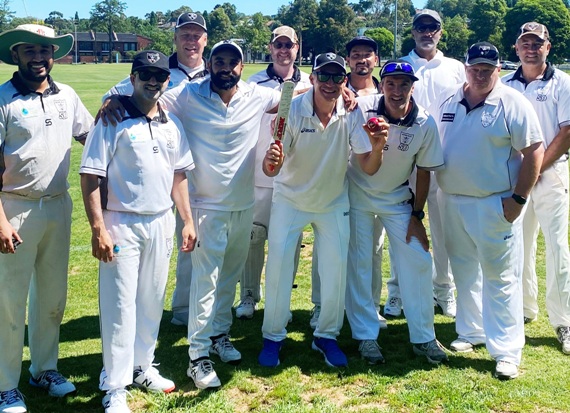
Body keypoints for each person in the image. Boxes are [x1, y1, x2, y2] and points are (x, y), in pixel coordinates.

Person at [154, 40, 281, 389]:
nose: (226, 67)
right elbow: (145, 96)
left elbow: (294, 91)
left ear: (242, 66)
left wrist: (342, 90)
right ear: (210, 64)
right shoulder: (187, 94)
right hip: (204, 206)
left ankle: (219, 336)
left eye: (233, 62)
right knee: (205, 282)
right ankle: (197, 356)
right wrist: (112, 101)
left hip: (243, 204)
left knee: (229, 278)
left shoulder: (255, 94)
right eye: (219, 61)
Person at [80, 51, 196, 413]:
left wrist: (187, 219)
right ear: (132, 78)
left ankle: (143, 366)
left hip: (160, 221)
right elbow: (90, 175)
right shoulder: (111, 119)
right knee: (119, 305)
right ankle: (114, 385)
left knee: (150, 301)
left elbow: (178, 175)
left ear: (167, 80)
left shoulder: (171, 124)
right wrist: (98, 228)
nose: (153, 81)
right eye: (145, 74)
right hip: (121, 221)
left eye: (159, 76)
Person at [258, 53, 386, 368]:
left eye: (336, 77)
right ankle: (273, 336)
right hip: (290, 200)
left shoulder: (351, 112)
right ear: (312, 78)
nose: (330, 84)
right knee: (278, 269)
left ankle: (326, 336)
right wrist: (270, 160)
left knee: (334, 272)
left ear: (344, 81)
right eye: (323, 77)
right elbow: (271, 169)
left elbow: (368, 167)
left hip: (332, 203)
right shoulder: (292, 110)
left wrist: (379, 146)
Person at [431, 42, 544, 379]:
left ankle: (507, 350)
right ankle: (472, 330)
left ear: (498, 69)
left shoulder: (512, 102)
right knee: (464, 270)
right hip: (452, 199)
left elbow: (534, 150)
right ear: (465, 67)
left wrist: (518, 199)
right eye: (474, 67)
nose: (480, 74)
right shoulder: (450, 99)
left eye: (487, 69)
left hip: (495, 202)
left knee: (501, 278)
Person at [0, 24, 93, 413]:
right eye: (30, 51)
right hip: (13, 207)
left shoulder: (66, 96)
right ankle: (6, 384)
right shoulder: (3, 99)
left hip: (57, 205)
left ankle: (44, 369)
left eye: (45, 50)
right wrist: (0, 221)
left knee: (52, 296)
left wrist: (120, 110)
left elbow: (91, 136)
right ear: (17, 54)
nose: (38, 58)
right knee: (9, 301)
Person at [346, 60, 448, 365]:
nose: (397, 90)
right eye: (391, 83)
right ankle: (365, 336)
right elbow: (333, 98)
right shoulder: (362, 108)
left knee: (418, 258)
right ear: (381, 86)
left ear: (412, 87)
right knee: (361, 261)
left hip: (397, 198)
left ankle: (424, 336)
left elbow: (425, 170)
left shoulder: (424, 122)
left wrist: (417, 217)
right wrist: (345, 97)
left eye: (404, 84)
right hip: (358, 194)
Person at [385, 9, 465, 318]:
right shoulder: (404, 64)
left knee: (444, 231)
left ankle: (444, 291)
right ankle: (396, 292)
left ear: (441, 32)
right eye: (421, 27)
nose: (427, 32)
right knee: (402, 226)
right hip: (405, 160)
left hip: (444, 162)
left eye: (432, 27)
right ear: (413, 31)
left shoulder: (455, 68)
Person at [310, 35, 389, 330]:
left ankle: (369, 305)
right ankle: (321, 305)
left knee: (373, 247)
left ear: (375, 60)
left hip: (372, 180)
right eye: (356, 54)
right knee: (327, 244)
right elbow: (309, 90)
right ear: (348, 62)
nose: (362, 59)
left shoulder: (386, 90)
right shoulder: (335, 87)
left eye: (368, 54)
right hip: (337, 179)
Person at [502, 22, 570, 355]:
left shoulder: (562, 83)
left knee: (557, 247)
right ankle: (524, 309)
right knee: (519, 245)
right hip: (518, 176)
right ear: (517, 48)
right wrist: (525, 173)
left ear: (548, 46)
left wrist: (537, 168)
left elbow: (567, 131)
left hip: (552, 173)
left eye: (537, 43)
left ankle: (563, 321)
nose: (531, 48)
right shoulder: (505, 84)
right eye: (525, 43)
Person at [236, 25, 311, 320]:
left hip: (293, 176)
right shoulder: (253, 83)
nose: (283, 50)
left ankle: (281, 299)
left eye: (288, 45)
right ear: (270, 48)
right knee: (253, 238)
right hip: (258, 175)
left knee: (288, 241)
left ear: (297, 48)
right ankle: (248, 296)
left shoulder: (311, 81)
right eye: (278, 45)